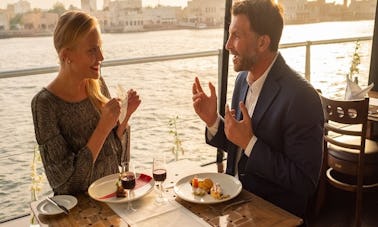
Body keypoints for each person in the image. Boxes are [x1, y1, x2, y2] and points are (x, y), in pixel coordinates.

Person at [192, 0, 323, 218]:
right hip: (232, 204)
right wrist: (213, 121)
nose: (227, 45)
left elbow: (304, 182)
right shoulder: (242, 79)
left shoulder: (303, 98)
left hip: (273, 215)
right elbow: (239, 147)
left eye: (236, 36)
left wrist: (250, 143)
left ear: (262, 42)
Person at [31, 10, 141, 195]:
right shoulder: (44, 105)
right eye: (92, 50)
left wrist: (125, 116)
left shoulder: (97, 84)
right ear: (67, 55)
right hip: (81, 212)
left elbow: (115, 158)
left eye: (100, 47)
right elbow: (65, 186)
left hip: (114, 196)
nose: (101, 57)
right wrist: (103, 127)